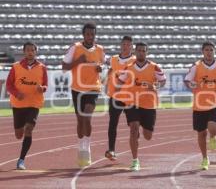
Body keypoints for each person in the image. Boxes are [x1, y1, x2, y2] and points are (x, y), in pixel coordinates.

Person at [117, 42, 166, 171]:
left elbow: (163, 81)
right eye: (139, 50)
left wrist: (155, 87)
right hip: (132, 103)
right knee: (133, 128)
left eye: (143, 51)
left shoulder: (154, 67)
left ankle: (142, 127)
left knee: (148, 136)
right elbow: (119, 81)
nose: (141, 53)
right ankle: (135, 160)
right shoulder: (128, 67)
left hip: (149, 105)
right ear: (135, 52)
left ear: (147, 52)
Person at [184, 41, 216, 170]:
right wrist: (191, 85)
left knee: (213, 127)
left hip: (215, 102)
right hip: (199, 104)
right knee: (201, 134)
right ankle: (205, 158)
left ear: (214, 51)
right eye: (207, 50)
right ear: (202, 52)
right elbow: (187, 80)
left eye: (211, 50)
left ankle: (213, 136)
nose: (209, 52)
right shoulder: (196, 66)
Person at [62, 22, 105, 168]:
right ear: (83, 35)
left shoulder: (100, 49)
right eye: (87, 34)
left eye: (92, 34)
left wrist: (101, 68)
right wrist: (78, 61)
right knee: (80, 120)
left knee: (87, 116)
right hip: (77, 89)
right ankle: (80, 145)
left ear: (95, 35)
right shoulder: (75, 48)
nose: (90, 37)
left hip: (93, 88)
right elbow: (64, 67)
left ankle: (87, 146)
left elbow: (102, 64)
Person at [6, 42, 48, 170]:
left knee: (29, 129)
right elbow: (9, 85)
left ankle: (21, 160)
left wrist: (42, 88)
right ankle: (22, 129)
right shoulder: (16, 67)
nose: (30, 52)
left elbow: (45, 85)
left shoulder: (42, 67)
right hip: (18, 104)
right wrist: (16, 93)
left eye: (32, 50)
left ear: (36, 52)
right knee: (19, 134)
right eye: (28, 50)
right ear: (24, 52)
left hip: (34, 104)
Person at [104, 36, 136, 161]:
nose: (125, 46)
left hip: (130, 97)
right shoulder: (113, 60)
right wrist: (106, 84)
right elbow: (110, 71)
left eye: (128, 44)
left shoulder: (134, 60)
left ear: (132, 47)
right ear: (120, 45)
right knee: (113, 123)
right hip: (115, 96)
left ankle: (134, 148)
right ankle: (111, 150)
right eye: (124, 44)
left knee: (133, 125)